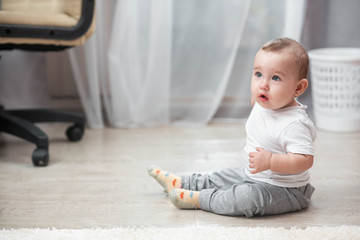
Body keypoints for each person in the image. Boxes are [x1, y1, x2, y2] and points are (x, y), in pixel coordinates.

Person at [148, 37, 316, 217]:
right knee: (222, 176)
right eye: (258, 74)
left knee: (246, 198)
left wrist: (270, 161)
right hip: (252, 174)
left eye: (275, 78)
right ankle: (182, 183)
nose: (263, 85)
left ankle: (201, 199)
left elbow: (304, 160)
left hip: (285, 190)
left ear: (298, 88)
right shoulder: (265, 102)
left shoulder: (294, 123)